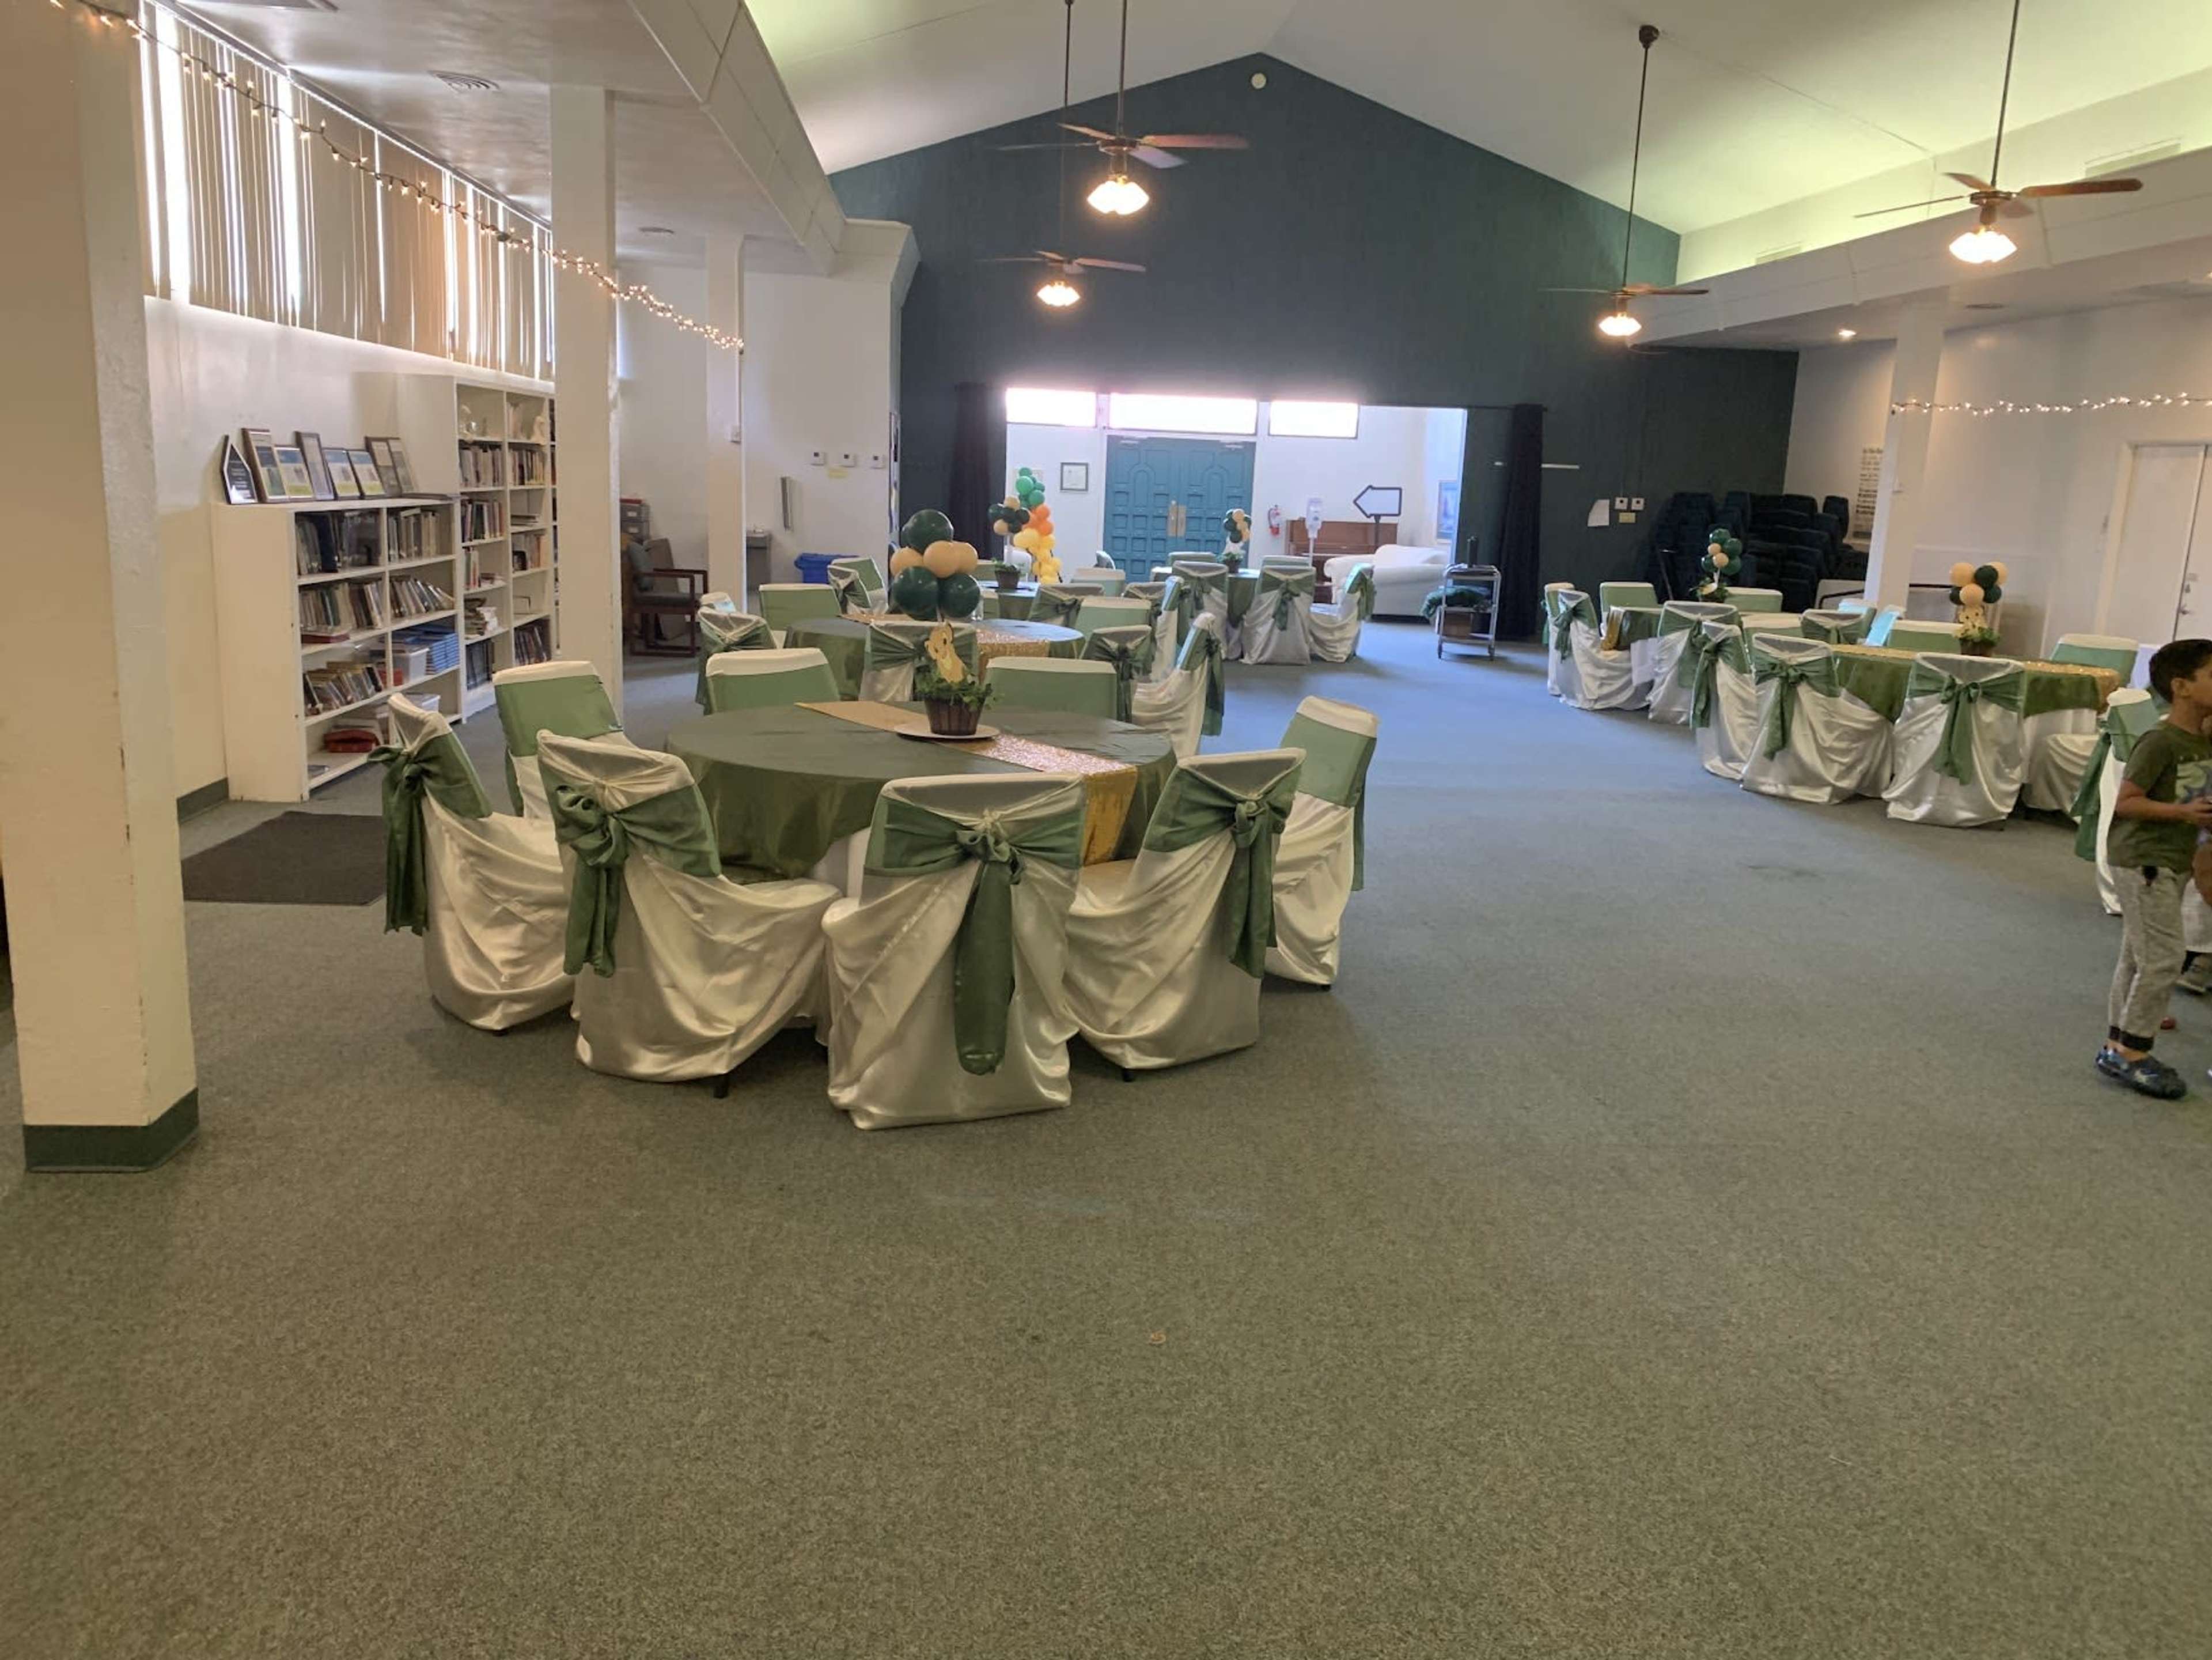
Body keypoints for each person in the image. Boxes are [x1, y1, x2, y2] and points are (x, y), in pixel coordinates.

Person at [2099, 638, 2212, 1098]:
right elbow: (2127, 803)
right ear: (2182, 687)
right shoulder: (2160, 741)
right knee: (2164, 958)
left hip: (2172, 859)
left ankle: (2117, 1041)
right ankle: (2132, 1051)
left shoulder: (2200, 740)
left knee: (2138, 954)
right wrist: (2182, 813)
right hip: (2144, 859)